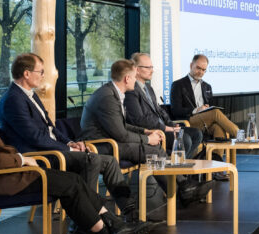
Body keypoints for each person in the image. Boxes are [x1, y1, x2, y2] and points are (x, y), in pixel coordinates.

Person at [0, 67, 148, 234]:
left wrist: (22, 160)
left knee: (74, 181)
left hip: (9, 173)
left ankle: (113, 227)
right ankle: (109, 233)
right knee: (70, 183)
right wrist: (22, 160)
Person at [0, 52, 137, 234]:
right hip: (40, 156)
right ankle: (81, 227)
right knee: (90, 160)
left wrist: (70, 143)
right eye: (40, 72)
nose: (43, 76)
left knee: (110, 161)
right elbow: (35, 137)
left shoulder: (30, 95)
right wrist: (68, 150)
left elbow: (50, 129)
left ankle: (130, 213)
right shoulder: (13, 100)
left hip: (55, 150)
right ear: (27, 74)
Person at [81, 59, 211, 211]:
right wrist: (148, 139)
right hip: (101, 145)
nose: (135, 81)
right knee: (152, 150)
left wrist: (145, 131)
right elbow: (121, 135)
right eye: (133, 77)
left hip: (112, 140)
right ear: (127, 78)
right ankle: (181, 189)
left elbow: (121, 125)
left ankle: (181, 189)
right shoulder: (108, 97)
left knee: (155, 150)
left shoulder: (112, 92)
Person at [124, 52, 202, 159]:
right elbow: (139, 120)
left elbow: (159, 110)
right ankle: (176, 167)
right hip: (152, 131)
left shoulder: (148, 88)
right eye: (148, 67)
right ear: (137, 69)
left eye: (152, 67)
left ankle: (181, 166)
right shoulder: (131, 90)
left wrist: (172, 125)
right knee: (185, 139)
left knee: (196, 134)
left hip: (163, 128)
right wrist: (166, 128)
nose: (152, 70)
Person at [169, 54, 240, 140]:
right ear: (191, 65)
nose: (201, 72)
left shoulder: (207, 86)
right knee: (215, 113)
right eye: (198, 68)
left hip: (205, 121)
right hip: (188, 120)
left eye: (203, 70)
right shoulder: (178, 85)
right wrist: (197, 110)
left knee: (218, 127)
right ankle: (240, 135)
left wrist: (207, 108)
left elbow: (211, 107)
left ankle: (217, 149)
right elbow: (176, 110)